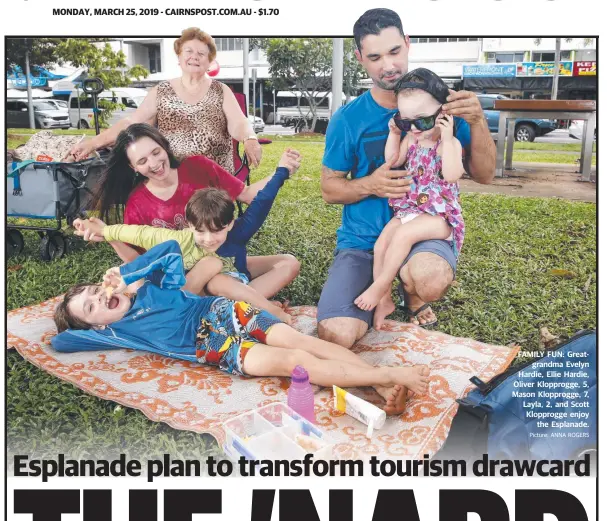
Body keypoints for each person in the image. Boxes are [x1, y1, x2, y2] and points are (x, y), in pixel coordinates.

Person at [52, 241, 431, 415]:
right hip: (210, 345)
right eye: (91, 307)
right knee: (293, 360)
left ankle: (379, 381)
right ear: (96, 326)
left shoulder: (150, 286)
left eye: (94, 292)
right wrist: (82, 320)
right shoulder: (113, 332)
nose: (100, 300)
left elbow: (169, 248)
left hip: (219, 310)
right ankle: (383, 376)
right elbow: (62, 339)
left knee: (298, 339)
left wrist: (129, 276)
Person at [318, 8, 496, 348]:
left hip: (423, 231)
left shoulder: (441, 107)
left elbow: (484, 175)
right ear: (360, 59)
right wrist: (371, 184)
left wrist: (477, 121)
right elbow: (329, 189)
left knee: (428, 280)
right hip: (363, 240)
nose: (388, 65)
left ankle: (412, 293)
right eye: (375, 56)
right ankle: (382, 287)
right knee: (337, 334)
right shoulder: (348, 118)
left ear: (408, 44)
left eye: (395, 51)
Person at [84, 123, 301, 299]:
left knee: (288, 263)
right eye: (142, 161)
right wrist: (109, 236)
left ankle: (238, 303)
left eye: (156, 152)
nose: (154, 163)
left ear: (164, 145)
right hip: (185, 276)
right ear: (134, 168)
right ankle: (233, 303)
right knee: (137, 282)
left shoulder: (198, 167)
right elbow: (137, 260)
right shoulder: (138, 203)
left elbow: (249, 195)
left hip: (226, 260)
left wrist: (282, 171)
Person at [74, 161, 301, 324]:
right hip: (203, 291)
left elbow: (262, 202)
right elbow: (140, 233)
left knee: (289, 262)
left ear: (230, 224)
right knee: (216, 276)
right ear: (188, 225)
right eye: (200, 231)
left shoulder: (238, 232)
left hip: (237, 279)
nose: (208, 239)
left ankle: (247, 305)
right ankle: (269, 311)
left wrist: (282, 171)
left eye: (217, 231)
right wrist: (107, 231)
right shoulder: (179, 239)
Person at [355, 69, 466, 328]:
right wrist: (396, 134)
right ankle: (383, 299)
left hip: (440, 215)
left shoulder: (449, 145)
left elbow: (451, 174)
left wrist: (448, 140)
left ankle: (381, 284)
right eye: (406, 122)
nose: (414, 128)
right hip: (410, 209)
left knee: (402, 237)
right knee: (382, 242)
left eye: (422, 121)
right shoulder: (411, 139)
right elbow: (393, 161)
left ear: (443, 115)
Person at [68, 27, 262, 172]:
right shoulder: (161, 90)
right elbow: (131, 123)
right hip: (169, 174)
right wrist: (93, 143)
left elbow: (238, 122)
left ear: (209, 61)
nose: (195, 57)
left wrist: (250, 138)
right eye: (189, 51)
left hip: (213, 175)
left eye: (201, 53)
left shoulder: (221, 90)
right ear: (179, 57)